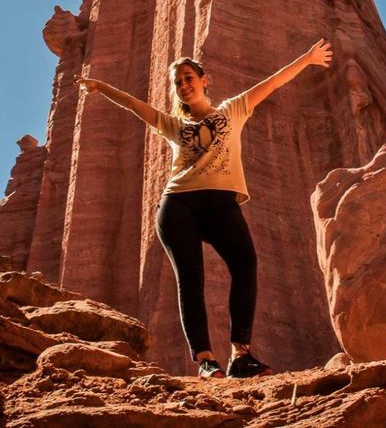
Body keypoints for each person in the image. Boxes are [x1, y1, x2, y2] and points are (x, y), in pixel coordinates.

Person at [73, 38, 334, 378]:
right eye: (177, 82)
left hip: (221, 203)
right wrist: (101, 87)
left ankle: (241, 355)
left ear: (203, 79)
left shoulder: (233, 109)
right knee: (190, 277)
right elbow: (136, 106)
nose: (183, 84)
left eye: (188, 77)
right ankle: (206, 360)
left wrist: (308, 58)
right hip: (178, 204)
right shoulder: (174, 126)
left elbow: (272, 82)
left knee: (245, 263)